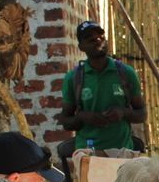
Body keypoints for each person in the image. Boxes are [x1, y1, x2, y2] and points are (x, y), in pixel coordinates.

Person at [58, 20, 146, 153]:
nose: (97, 40)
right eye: (89, 38)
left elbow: (142, 114)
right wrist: (83, 117)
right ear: (81, 47)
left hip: (122, 152)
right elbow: (66, 121)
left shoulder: (125, 73)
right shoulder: (74, 78)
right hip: (88, 153)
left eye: (100, 36)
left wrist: (123, 113)